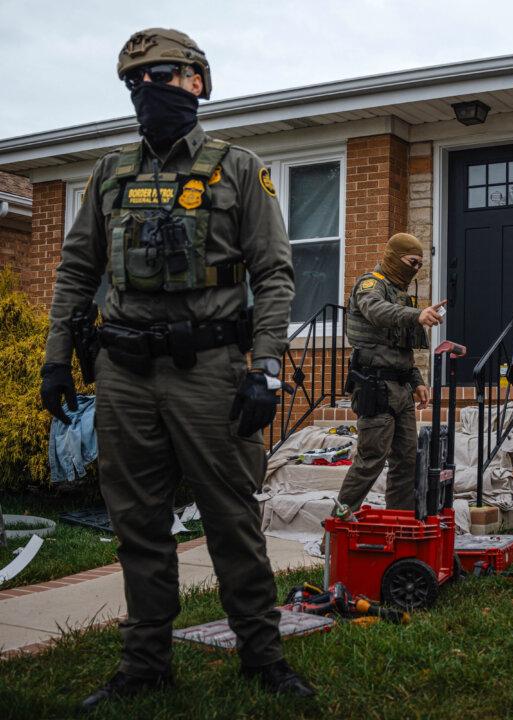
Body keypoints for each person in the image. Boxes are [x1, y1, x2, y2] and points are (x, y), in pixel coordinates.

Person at [38, 28, 313, 712]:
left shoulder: (239, 169)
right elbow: (77, 270)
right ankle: (145, 662)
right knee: (137, 522)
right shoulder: (109, 174)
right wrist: (54, 360)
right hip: (125, 372)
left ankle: (262, 654)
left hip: (211, 369)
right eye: (134, 81)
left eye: (160, 75)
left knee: (230, 518)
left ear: (196, 81)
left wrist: (267, 367)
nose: (147, 90)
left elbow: (274, 272)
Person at [337, 232, 446, 512]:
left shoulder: (401, 295)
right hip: (374, 386)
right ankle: (338, 525)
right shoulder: (370, 284)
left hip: (401, 389)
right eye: (412, 262)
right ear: (394, 257)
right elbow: (376, 311)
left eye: (421, 264)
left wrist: (417, 380)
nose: (416, 269)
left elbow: (400, 350)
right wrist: (416, 315)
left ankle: (398, 524)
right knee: (371, 459)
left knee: (407, 461)